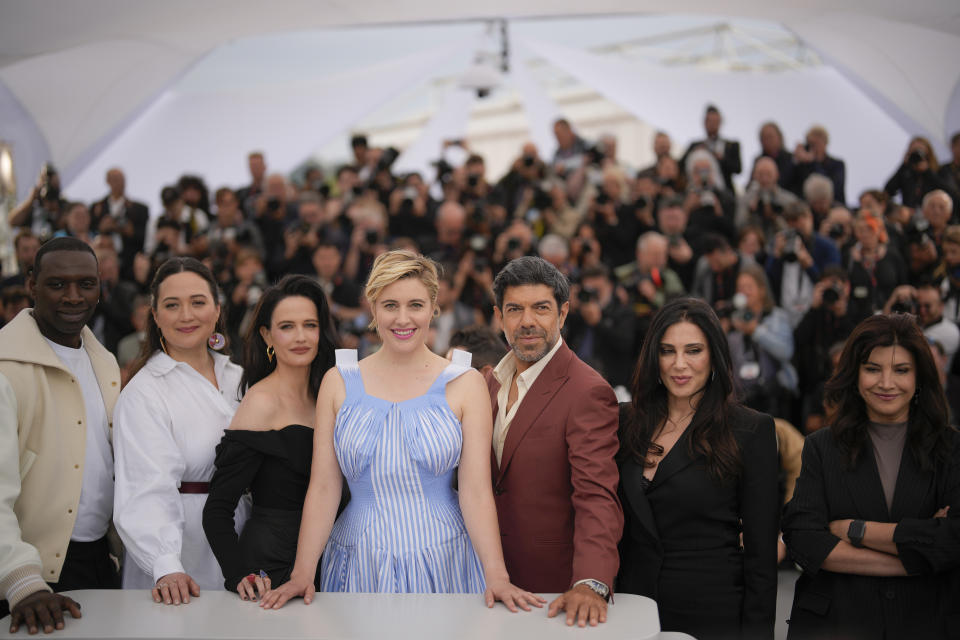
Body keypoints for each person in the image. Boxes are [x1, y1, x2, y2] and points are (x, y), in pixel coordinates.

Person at [261, 250, 542, 613]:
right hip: (358, 561)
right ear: (372, 308)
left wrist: (497, 575)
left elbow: (475, 490)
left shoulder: (465, 382)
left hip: (446, 558)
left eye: (415, 305)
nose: (403, 318)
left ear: (433, 308)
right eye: (390, 305)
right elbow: (324, 486)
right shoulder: (339, 381)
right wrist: (302, 572)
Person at [782, 314, 960, 639]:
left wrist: (855, 530)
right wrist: (916, 558)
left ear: (920, 376)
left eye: (901, 370)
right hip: (837, 624)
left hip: (927, 622)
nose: (887, 383)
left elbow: (953, 540)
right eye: (872, 369)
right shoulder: (821, 447)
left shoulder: (951, 447)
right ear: (854, 374)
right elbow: (804, 539)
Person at [617, 297, 779, 639]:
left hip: (711, 611)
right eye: (667, 351)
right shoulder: (624, 420)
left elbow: (761, 557)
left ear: (715, 356)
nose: (679, 364)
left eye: (693, 350)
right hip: (631, 609)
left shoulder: (750, 430)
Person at [487, 256, 623, 627]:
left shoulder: (587, 391)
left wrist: (590, 583)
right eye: (515, 309)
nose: (527, 321)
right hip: (482, 583)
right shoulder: (487, 383)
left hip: (553, 592)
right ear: (499, 316)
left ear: (562, 314)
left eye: (541, 309)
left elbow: (596, 495)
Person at [0, 238, 122, 634]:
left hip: (100, 561)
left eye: (86, 284)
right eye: (57, 285)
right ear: (32, 285)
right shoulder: (5, 365)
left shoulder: (104, 361)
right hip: (28, 576)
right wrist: (22, 581)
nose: (73, 297)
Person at [113, 257, 248, 604]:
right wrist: (165, 564)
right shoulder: (145, 391)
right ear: (155, 316)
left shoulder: (239, 378)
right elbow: (145, 486)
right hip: (180, 548)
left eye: (198, 303)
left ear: (217, 310)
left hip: (242, 538)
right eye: (172, 305)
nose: (186, 315)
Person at [203, 275, 339, 600]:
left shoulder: (328, 393)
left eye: (310, 325)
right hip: (272, 565)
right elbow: (218, 508)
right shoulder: (261, 402)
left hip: (329, 558)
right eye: (287, 326)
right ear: (267, 334)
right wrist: (238, 574)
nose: (301, 337)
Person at [727, 263, 797, 417]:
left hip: (774, 395)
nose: (744, 292)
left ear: (762, 290)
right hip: (743, 398)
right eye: (740, 288)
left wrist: (755, 331)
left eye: (749, 287)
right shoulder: (734, 320)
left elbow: (786, 351)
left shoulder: (776, 317)